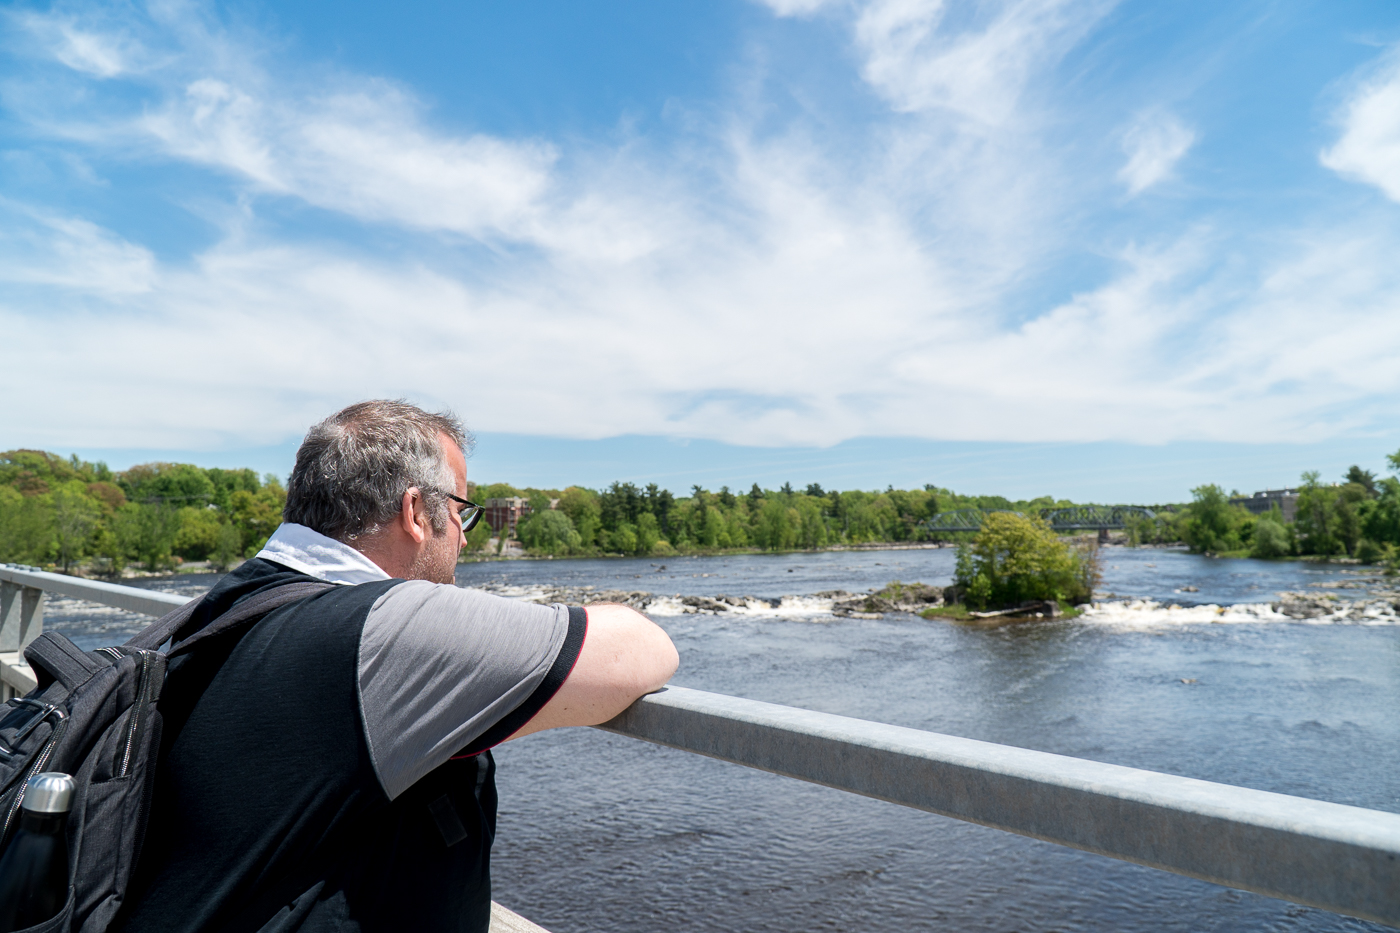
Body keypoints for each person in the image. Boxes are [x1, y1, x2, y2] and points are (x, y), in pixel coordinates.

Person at [113, 400, 678, 933]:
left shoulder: (228, 604)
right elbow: (641, 647)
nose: (462, 536)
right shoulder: (387, 626)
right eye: (461, 512)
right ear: (415, 512)